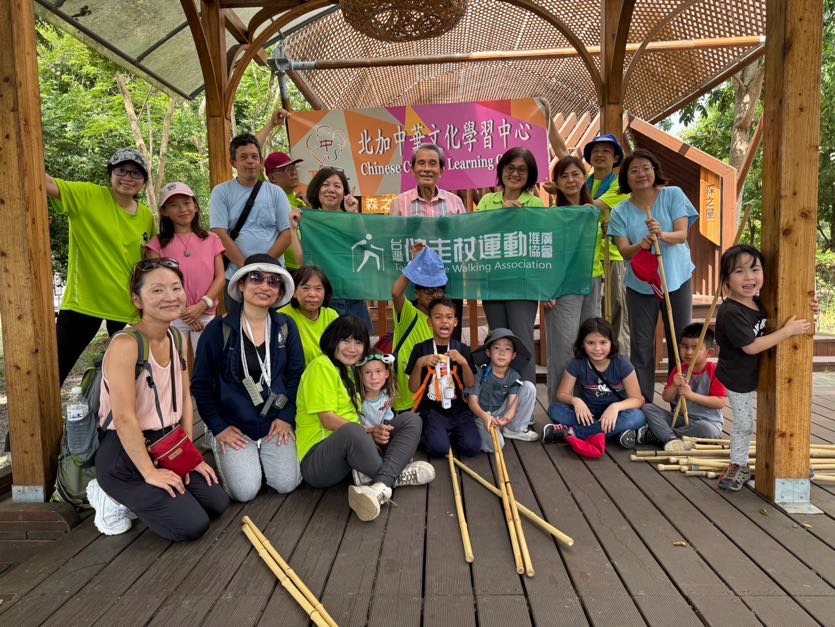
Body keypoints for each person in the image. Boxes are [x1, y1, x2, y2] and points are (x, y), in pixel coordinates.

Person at [88, 258, 229, 540]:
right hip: (126, 452)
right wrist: (149, 473)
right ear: (137, 299)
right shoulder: (126, 344)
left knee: (217, 503)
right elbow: (124, 418)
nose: (170, 296)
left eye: (176, 288)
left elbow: (185, 397)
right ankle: (108, 496)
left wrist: (187, 455)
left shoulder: (176, 337)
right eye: (157, 290)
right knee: (192, 525)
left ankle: (151, 491)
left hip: (167, 442)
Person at [295, 316, 433, 522]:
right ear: (333, 340)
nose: (352, 348)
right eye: (346, 340)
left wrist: (379, 426)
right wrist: (369, 431)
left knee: (410, 420)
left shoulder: (352, 370)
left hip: (354, 448)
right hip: (318, 459)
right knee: (353, 430)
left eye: (358, 342)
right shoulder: (321, 366)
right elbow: (327, 419)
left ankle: (378, 485)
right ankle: (395, 474)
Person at [191, 254, 304, 502]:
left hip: (275, 422)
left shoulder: (285, 326)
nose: (265, 286)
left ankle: (260, 458)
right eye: (256, 278)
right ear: (241, 284)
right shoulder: (219, 329)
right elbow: (200, 384)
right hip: (233, 425)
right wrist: (218, 427)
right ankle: (216, 442)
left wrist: (286, 417)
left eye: (273, 281)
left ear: (279, 291)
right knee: (244, 492)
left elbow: (296, 375)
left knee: (286, 483)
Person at [46, 148, 158, 385]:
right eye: (121, 170)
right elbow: (44, 182)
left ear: (144, 181)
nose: (128, 177)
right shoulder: (87, 195)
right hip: (84, 303)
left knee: (134, 378)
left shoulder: (147, 216)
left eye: (136, 173)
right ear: (110, 174)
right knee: (52, 373)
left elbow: (148, 264)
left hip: (128, 307)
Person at [714, 245, 814, 491]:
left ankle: (790, 459)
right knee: (744, 423)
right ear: (726, 279)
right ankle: (738, 464)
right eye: (739, 271)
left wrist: (808, 308)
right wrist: (787, 331)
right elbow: (751, 347)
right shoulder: (730, 311)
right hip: (738, 376)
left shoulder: (762, 302)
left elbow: (795, 315)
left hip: (766, 371)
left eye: (755, 269)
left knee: (783, 414)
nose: (749, 277)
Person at [608, 149, 699, 402]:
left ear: (655, 170)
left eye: (646, 168)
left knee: (680, 342)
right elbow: (624, 251)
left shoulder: (673, 195)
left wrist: (661, 235)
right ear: (626, 177)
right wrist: (642, 243)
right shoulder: (620, 212)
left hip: (677, 278)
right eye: (634, 170)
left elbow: (681, 235)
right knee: (641, 345)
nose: (641, 174)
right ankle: (643, 403)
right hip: (640, 284)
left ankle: (679, 403)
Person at [476, 147, 544, 383]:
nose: (515, 173)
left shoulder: (535, 204)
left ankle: (525, 397)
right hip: (492, 282)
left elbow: (538, 245)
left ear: (530, 175)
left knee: (522, 341)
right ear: (501, 170)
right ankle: (500, 395)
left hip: (523, 285)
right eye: (510, 168)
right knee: (498, 341)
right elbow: (475, 237)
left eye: (522, 170)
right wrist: (499, 219)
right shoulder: (487, 201)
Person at [209, 133, 292, 310]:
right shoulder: (221, 192)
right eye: (243, 157)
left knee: (277, 324)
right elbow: (219, 233)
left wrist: (264, 266)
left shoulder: (276, 192)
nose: (250, 162)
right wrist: (246, 268)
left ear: (261, 162)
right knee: (238, 325)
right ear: (233, 162)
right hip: (237, 276)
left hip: (273, 276)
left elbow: (287, 233)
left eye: (254, 157)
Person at [543, 317, 646, 458]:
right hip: (587, 415)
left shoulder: (622, 363)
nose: (597, 349)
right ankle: (614, 434)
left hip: (616, 415)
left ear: (612, 342)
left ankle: (574, 433)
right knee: (555, 410)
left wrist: (615, 407)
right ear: (582, 344)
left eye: (603, 342)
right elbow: (562, 394)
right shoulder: (577, 363)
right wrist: (576, 401)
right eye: (590, 343)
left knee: (637, 417)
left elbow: (638, 399)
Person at [544, 156, 601, 405]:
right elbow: (546, 256)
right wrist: (546, 289)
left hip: (592, 280)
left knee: (592, 344)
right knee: (563, 348)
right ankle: (561, 407)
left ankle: (587, 403)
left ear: (584, 177)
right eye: (564, 176)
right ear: (556, 183)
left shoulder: (593, 212)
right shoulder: (552, 216)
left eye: (576, 174)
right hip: (562, 285)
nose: (570, 180)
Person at [145, 182, 225, 354]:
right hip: (172, 314)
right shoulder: (157, 244)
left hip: (206, 312)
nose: (182, 209)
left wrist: (202, 305)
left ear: (195, 206)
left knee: (206, 363)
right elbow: (156, 282)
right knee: (175, 361)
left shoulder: (212, 239)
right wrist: (183, 311)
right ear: (164, 211)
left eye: (187, 203)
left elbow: (220, 277)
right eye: (174, 205)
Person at [406, 298, 480, 458]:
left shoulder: (462, 349)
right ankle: (438, 434)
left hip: (459, 410)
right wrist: (419, 364)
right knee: (438, 449)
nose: (444, 321)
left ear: (455, 322)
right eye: (438, 317)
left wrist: (463, 362)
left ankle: (446, 433)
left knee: (472, 448)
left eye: (449, 317)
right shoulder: (421, 349)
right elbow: (412, 388)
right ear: (430, 322)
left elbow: (470, 384)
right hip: (433, 410)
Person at [302, 167, 371, 332]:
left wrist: (354, 214)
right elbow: (302, 259)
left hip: (352, 295)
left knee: (358, 343)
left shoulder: (352, 217)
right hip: (323, 297)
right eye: (325, 184)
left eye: (337, 186)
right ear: (317, 189)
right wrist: (293, 228)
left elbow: (366, 246)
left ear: (344, 193)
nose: (331, 189)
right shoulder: (308, 221)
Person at [642, 323, 727, 452]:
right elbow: (666, 397)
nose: (688, 352)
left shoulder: (715, 372)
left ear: (709, 352)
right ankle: (671, 438)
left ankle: (664, 436)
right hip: (679, 419)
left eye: (695, 348)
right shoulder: (679, 369)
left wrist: (691, 395)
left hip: (706, 422)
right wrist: (674, 385)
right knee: (648, 408)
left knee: (708, 431)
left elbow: (720, 402)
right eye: (684, 347)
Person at [582, 134, 631, 357]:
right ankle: (595, 358)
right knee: (593, 313)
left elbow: (592, 208)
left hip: (611, 255)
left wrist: (566, 197)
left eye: (606, 151)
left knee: (615, 310)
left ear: (616, 158)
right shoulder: (585, 181)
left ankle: (620, 361)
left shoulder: (619, 184)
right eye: (595, 150)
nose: (599, 154)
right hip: (587, 256)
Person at [391, 246, 448, 414]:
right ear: (416, 294)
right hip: (407, 399)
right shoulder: (409, 314)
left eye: (439, 290)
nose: (435, 295)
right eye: (429, 291)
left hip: (433, 396)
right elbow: (396, 293)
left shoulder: (443, 319)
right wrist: (415, 262)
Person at [467, 328, 539, 453]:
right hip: (482, 415)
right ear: (488, 352)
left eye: (507, 349)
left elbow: (512, 405)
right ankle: (484, 433)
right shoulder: (479, 372)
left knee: (528, 387)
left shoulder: (514, 375)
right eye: (496, 348)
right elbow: (472, 402)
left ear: (513, 355)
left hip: (501, 411)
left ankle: (514, 429)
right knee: (497, 445)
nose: (502, 352)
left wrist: (506, 419)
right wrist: (485, 416)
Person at [278, 265, 340, 365]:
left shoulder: (331, 315)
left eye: (318, 289)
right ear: (294, 292)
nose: (312, 294)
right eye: (306, 288)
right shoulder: (282, 317)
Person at [389, 143, 466, 217]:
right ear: (412, 170)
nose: (427, 169)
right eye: (421, 163)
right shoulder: (399, 203)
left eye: (433, 163)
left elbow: (463, 226)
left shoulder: (455, 202)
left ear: (441, 171)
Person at [265, 151, 307, 270]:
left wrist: (310, 206)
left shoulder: (301, 201)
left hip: (305, 267)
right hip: (282, 267)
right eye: (287, 169)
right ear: (272, 177)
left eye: (294, 168)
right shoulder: (268, 198)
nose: (294, 172)